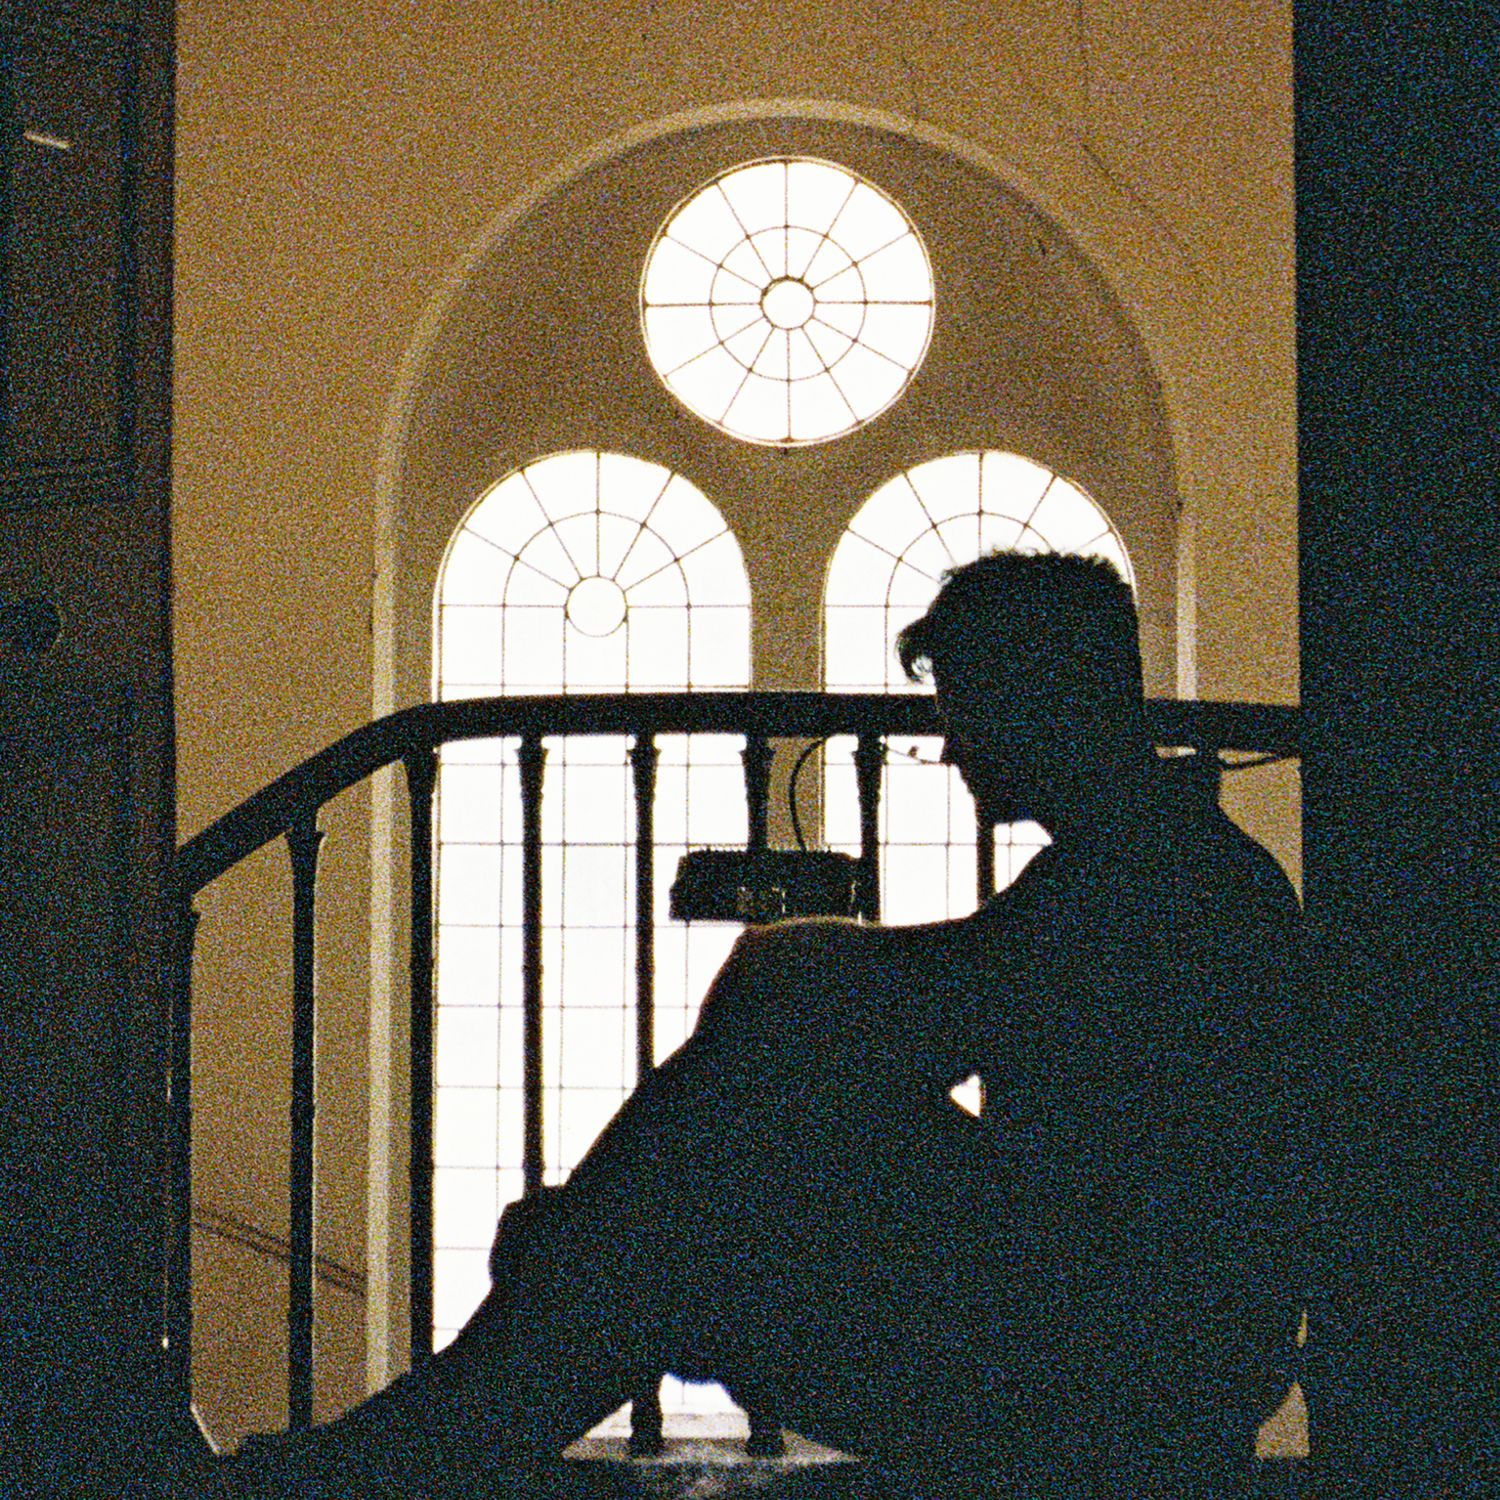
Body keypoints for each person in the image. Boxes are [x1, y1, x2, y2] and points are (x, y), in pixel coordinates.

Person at [207, 551, 1310, 1497]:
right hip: (1116, 1356)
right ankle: (425, 1428)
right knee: (693, 1172)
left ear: (1041, 700)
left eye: (967, 708)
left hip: (1100, 1386)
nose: (951, 747)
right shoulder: (1166, 867)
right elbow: (899, 1017)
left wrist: (603, 1212)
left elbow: (857, 1007)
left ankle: (398, 1446)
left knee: (686, 1177)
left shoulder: (1149, 886)